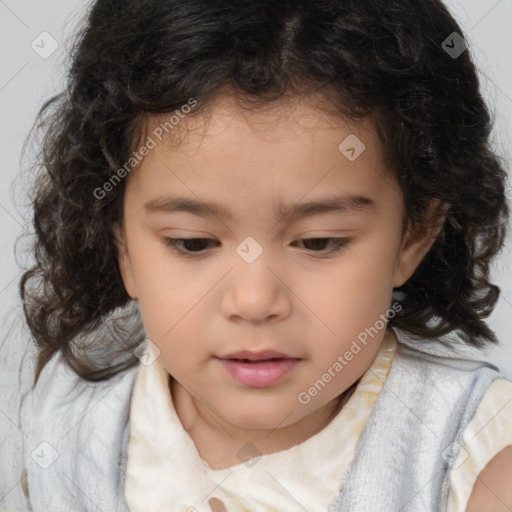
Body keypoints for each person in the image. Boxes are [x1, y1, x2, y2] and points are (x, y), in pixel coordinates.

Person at [1, 0, 511, 510]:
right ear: (122, 245)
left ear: (413, 235)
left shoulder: (478, 460)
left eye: (318, 242)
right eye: (192, 243)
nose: (253, 301)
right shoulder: (72, 414)